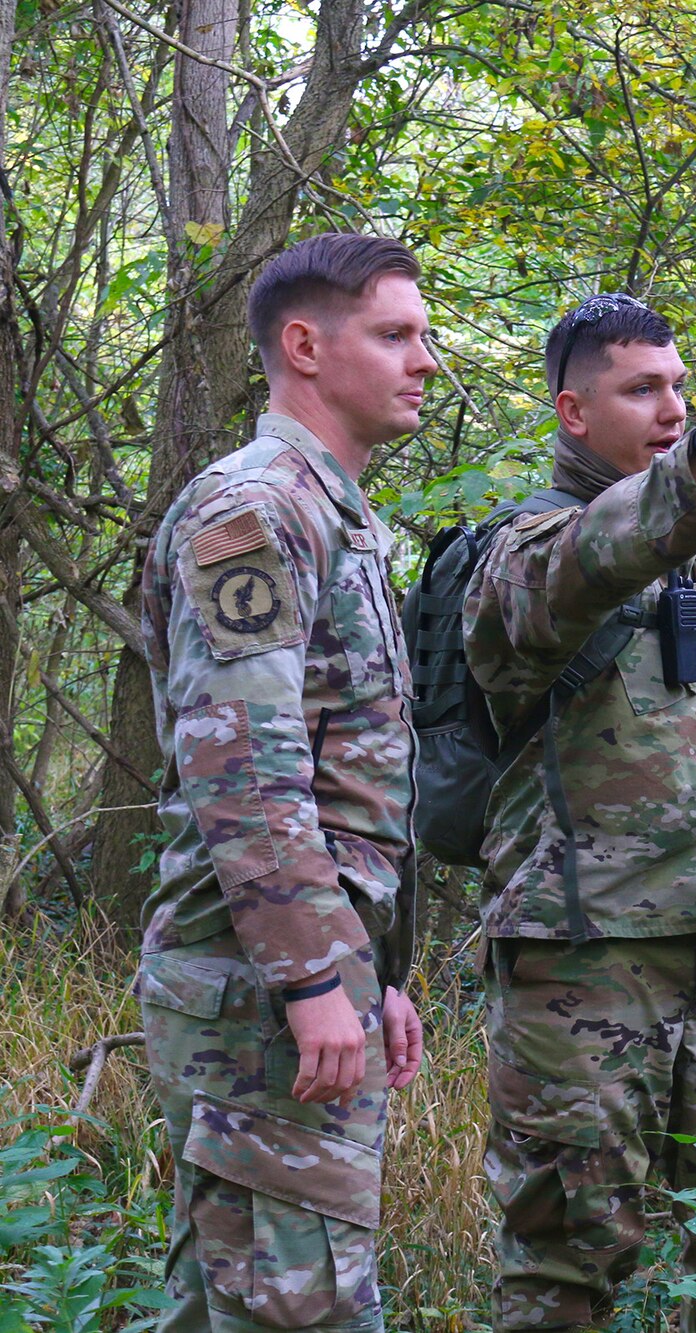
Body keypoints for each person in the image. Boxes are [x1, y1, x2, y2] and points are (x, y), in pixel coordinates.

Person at [464, 293, 696, 1332]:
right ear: (571, 412)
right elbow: (596, 559)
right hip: (584, 950)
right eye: (642, 389)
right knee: (571, 1254)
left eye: (682, 388)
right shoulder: (523, 550)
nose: (673, 408)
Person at [136, 232, 435, 1332]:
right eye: (396, 334)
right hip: (255, 993)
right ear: (304, 346)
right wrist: (315, 981)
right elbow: (244, 773)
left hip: (291, 983)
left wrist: (370, 975)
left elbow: (345, 783)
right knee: (293, 1307)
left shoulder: (335, 516)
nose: (427, 360)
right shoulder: (256, 510)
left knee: (233, 1298)